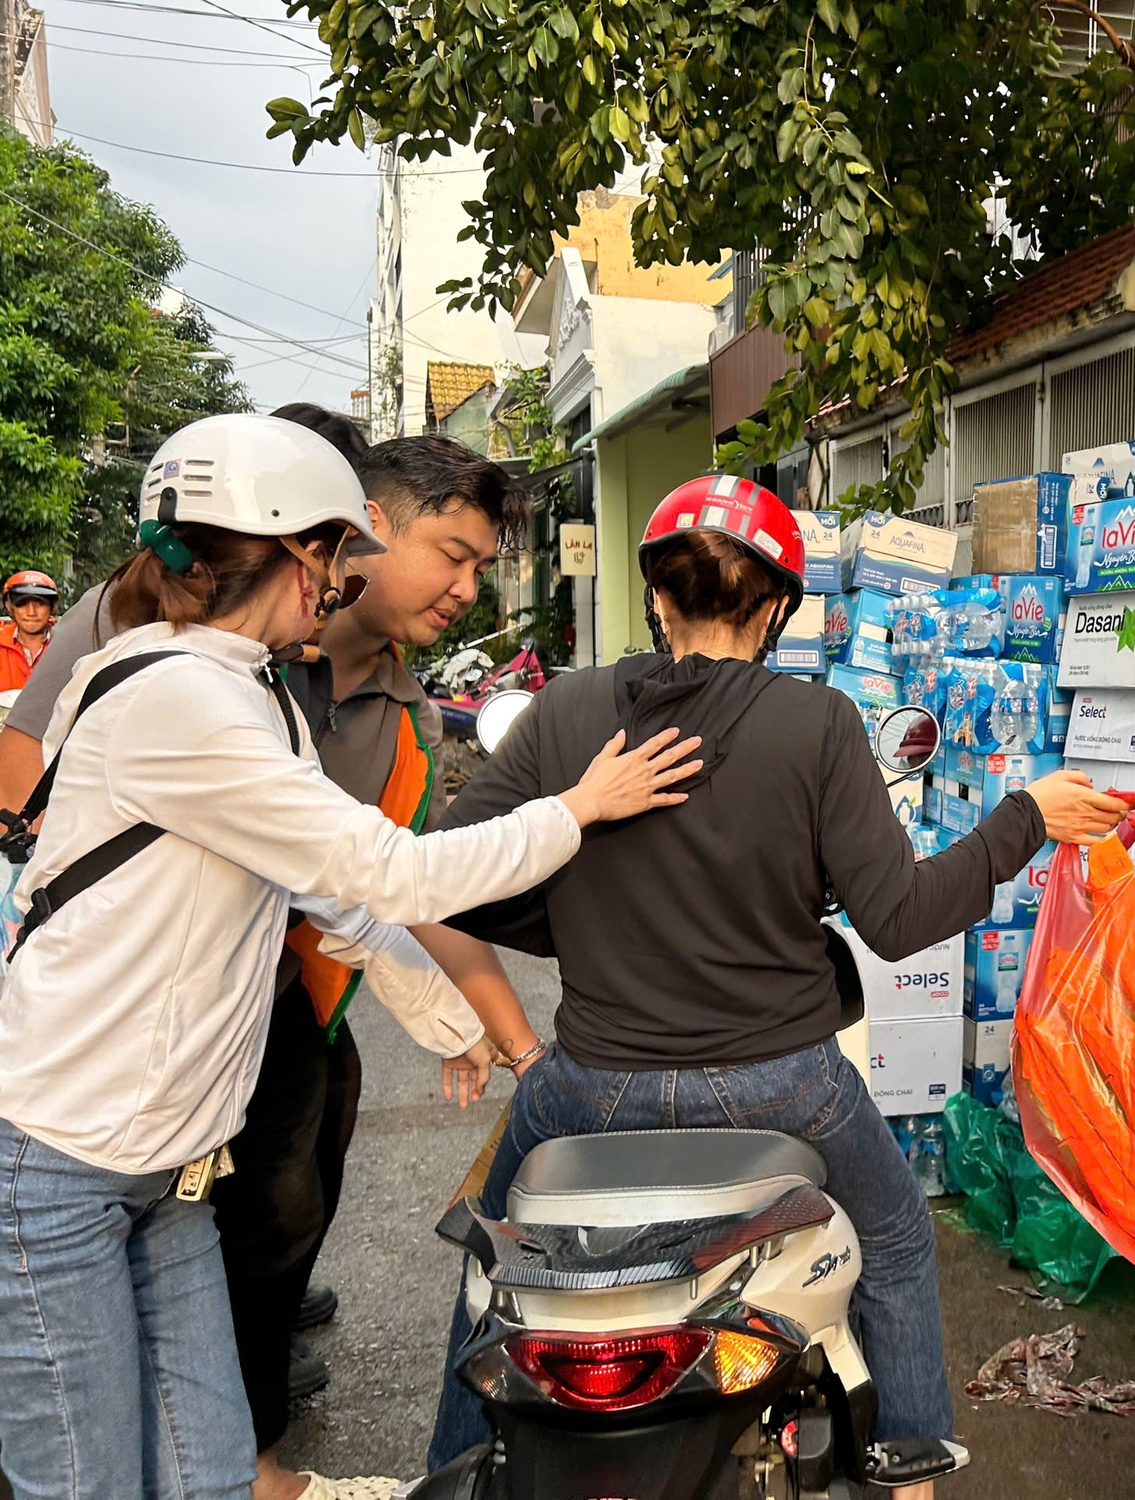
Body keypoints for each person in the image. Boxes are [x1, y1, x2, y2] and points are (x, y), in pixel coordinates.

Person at [0, 412, 701, 1500]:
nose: (338, 583)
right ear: (295, 553)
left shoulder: (251, 691)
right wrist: (580, 805)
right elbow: (396, 873)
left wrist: (455, 1012)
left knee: (209, 1472)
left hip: (170, 1169)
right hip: (62, 1166)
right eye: (333, 555)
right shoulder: (184, 696)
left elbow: (334, 894)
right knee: (89, 1482)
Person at [425, 474, 1128, 1489]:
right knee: (893, 1237)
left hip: (590, 1080)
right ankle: (910, 1477)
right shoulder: (816, 724)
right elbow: (897, 919)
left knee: (493, 1269)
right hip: (781, 1077)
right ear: (779, 606)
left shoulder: (566, 710)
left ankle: (453, 1468)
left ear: (657, 597)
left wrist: (573, 901)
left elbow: (448, 871)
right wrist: (1021, 818)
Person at [0, 570, 60, 691]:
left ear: (53, 607)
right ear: (9, 606)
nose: (31, 612)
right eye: (22, 603)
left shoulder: (68, 644)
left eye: (40, 603)